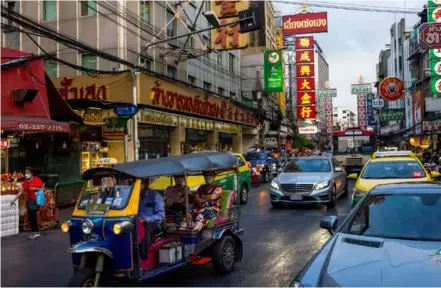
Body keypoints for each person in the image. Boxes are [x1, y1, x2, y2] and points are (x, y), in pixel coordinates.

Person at [10, 167, 44, 240]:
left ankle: (34, 232)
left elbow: (43, 188)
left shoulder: (37, 180)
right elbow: (21, 191)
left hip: (35, 200)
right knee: (32, 217)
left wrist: (35, 188)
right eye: (25, 173)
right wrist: (14, 199)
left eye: (27, 173)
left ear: (31, 173)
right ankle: (36, 232)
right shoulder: (25, 181)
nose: (26, 174)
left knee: (31, 216)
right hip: (29, 201)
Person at [138, 178, 165, 251]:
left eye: (143, 182)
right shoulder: (134, 197)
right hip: (137, 223)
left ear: (147, 182)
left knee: (145, 229)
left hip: (153, 225)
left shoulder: (155, 196)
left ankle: (143, 255)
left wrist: (145, 219)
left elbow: (161, 215)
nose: (141, 185)